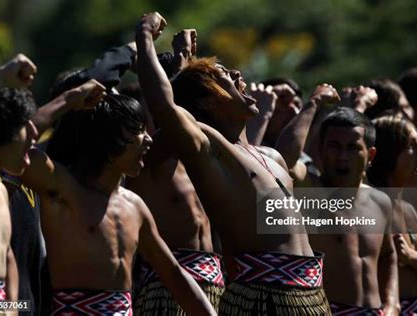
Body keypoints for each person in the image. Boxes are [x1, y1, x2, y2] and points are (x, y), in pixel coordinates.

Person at [136, 12, 334, 315]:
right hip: (263, 299)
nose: (240, 76)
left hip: (312, 296)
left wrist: (313, 104)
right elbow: (165, 107)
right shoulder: (210, 150)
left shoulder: (271, 156)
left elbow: (291, 152)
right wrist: (145, 37)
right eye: (227, 76)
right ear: (207, 101)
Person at [20, 91, 216, 315]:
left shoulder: (135, 206)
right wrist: (69, 100)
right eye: (139, 130)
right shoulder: (64, 189)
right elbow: (18, 145)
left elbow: (173, 273)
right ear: (109, 136)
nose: (149, 139)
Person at [124, 29, 225, 315]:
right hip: (168, 290)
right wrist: (157, 43)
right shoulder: (144, 156)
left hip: (214, 283)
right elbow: (171, 116)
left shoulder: (200, 153)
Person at [307, 107, 399, 315]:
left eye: (352, 147)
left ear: (370, 155)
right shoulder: (310, 194)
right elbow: (290, 158)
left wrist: (392, 302)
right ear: (319, 149)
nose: (342, 156)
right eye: (334, 146)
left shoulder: (381, 201)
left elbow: (388, 255)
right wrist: (314, 104)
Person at [368, 115, 417, 315]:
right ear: (389, 154)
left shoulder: (408, 210)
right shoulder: (368, 209)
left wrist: (411, 257)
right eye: (412, 146)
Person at [0, 55, 37, 314]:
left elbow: (7, 257)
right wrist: (0, 77)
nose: (35, 133)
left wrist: (11, 308)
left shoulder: (1, 190)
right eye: (25, 125)